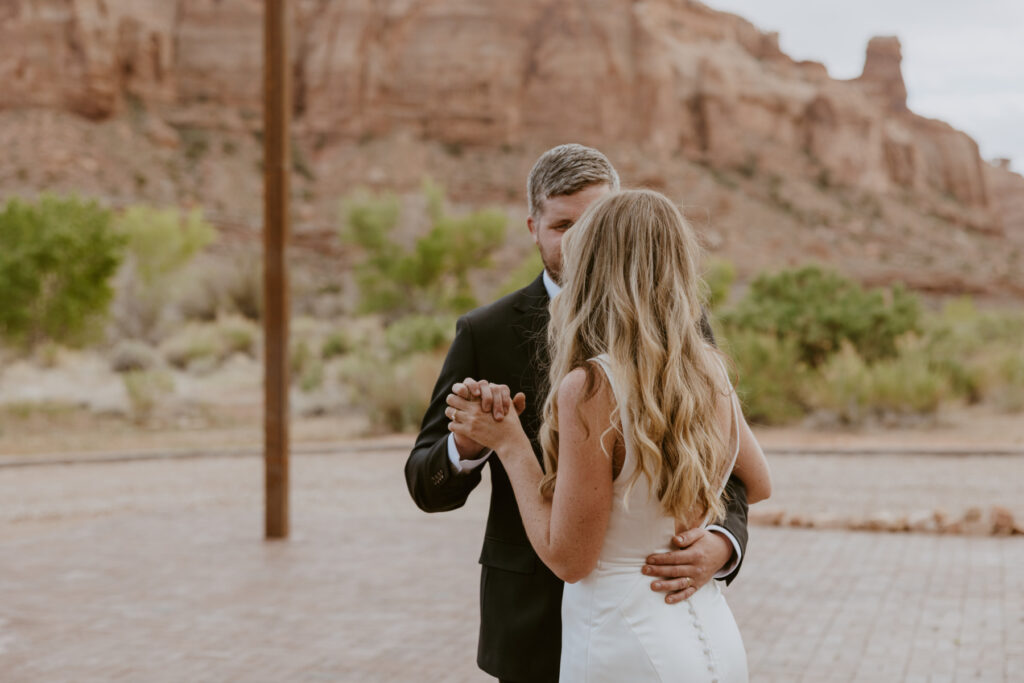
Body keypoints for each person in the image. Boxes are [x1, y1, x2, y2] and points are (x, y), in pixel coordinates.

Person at [404, 145, 751, 682]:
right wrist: (470, 444)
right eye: (563, 224)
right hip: (531, 624)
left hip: (651, 613)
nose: (581, 239)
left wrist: (721, 543)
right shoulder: (487, 331)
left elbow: (720, 458)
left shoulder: (681, 325)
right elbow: (424, 481)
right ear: (533, 227)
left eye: (594, 221)